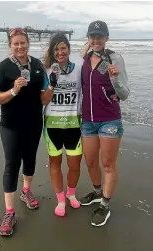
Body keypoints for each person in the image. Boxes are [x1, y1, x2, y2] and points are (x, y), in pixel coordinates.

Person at [0, 28, 45, 236]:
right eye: (16, 44)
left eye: (23, 43)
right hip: (11, 124)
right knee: (12, 163)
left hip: (34, 123)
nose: (20, 47)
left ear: (28, 43)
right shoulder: (2, 68)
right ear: (10, 45)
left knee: (30, 159)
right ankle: (9, 212)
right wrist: (14, 90)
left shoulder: (38, 65)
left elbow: (44, 95)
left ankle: (26, 192)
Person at [80, 21, 130, 227]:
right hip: (88, 121)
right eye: (92, 36)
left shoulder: (115, 58)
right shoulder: (85, 58)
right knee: (90, 161)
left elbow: (125, 94)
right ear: (88, 38)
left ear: (107, 37)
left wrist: (115, 78)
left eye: (100, 36)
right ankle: (97, 192)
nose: (96, 39)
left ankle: (105, 205)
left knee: (108, 164)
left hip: (109, 119)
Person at [41, 33, 82, 217]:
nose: (60, 52)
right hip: (52, 126)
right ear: (52, 51)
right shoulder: (46, 71)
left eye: (63, 48)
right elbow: (43, 100)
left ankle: (71, 194)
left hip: (74, 125)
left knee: (74, 166)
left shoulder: (79, 69)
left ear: (69, 49)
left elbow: (92, 87)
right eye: (56, 49)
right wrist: (52, 85)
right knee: (55, 164)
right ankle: (60, 199)